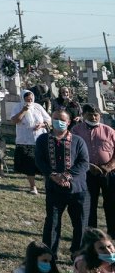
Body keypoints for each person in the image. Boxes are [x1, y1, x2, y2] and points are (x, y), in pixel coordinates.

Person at [36, 107, 90, 262]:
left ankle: (78, 254)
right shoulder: (43, 139)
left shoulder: (78, 141)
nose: (58, 122)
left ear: (68, 122)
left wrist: (67, 176)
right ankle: (49, 254)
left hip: (77, 189)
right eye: (55, 118)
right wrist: (53, 176)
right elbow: (39, 160)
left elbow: (84, 163)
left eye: (62, 119)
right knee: (52, 222)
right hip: (54, 188)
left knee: (80, 223)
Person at [75, 104, 114, 233]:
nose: (93, 117)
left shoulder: (109, 131)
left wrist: (109, 166)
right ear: (83, 115)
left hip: (108, 172)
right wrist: (88, 165)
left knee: (111, 203)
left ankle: (112, 233)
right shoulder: (76, 131)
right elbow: (72, 151)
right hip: (87, 173)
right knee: (89, 204)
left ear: (100, 116)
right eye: (90, 115)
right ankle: (91, 233)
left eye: (96, 115)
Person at [15, 89, 54, 194]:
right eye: (27, 99)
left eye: (31, 99)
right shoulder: (18, 107)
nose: (30, 101)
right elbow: (15, 120)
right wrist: (23, 110)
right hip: (25, 140)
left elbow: (49, 120)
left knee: (44, 164)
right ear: (23, 99)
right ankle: (33, 187)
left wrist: (42, 125)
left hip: (40, 139)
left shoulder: (38, 106)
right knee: (29, 164)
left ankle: (47, 186)